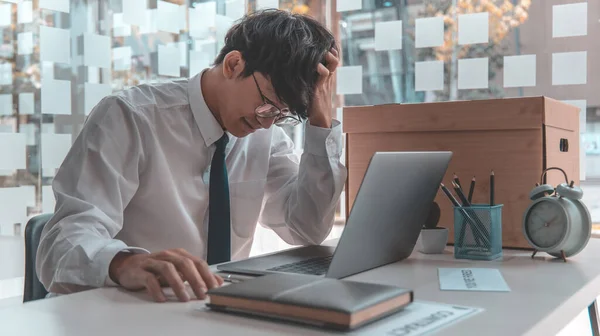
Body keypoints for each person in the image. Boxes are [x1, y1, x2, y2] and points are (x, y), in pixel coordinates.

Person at [36, 9, 346, 303]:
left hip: (213, 312)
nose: (267, 122)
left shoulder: (266, 137)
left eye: (281, 115)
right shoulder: (130, 117)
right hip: (120, 311)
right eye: (267, 105)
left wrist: (320, 122)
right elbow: (60, 245)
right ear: (234, 64)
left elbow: (306, 230)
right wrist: (123, 263)